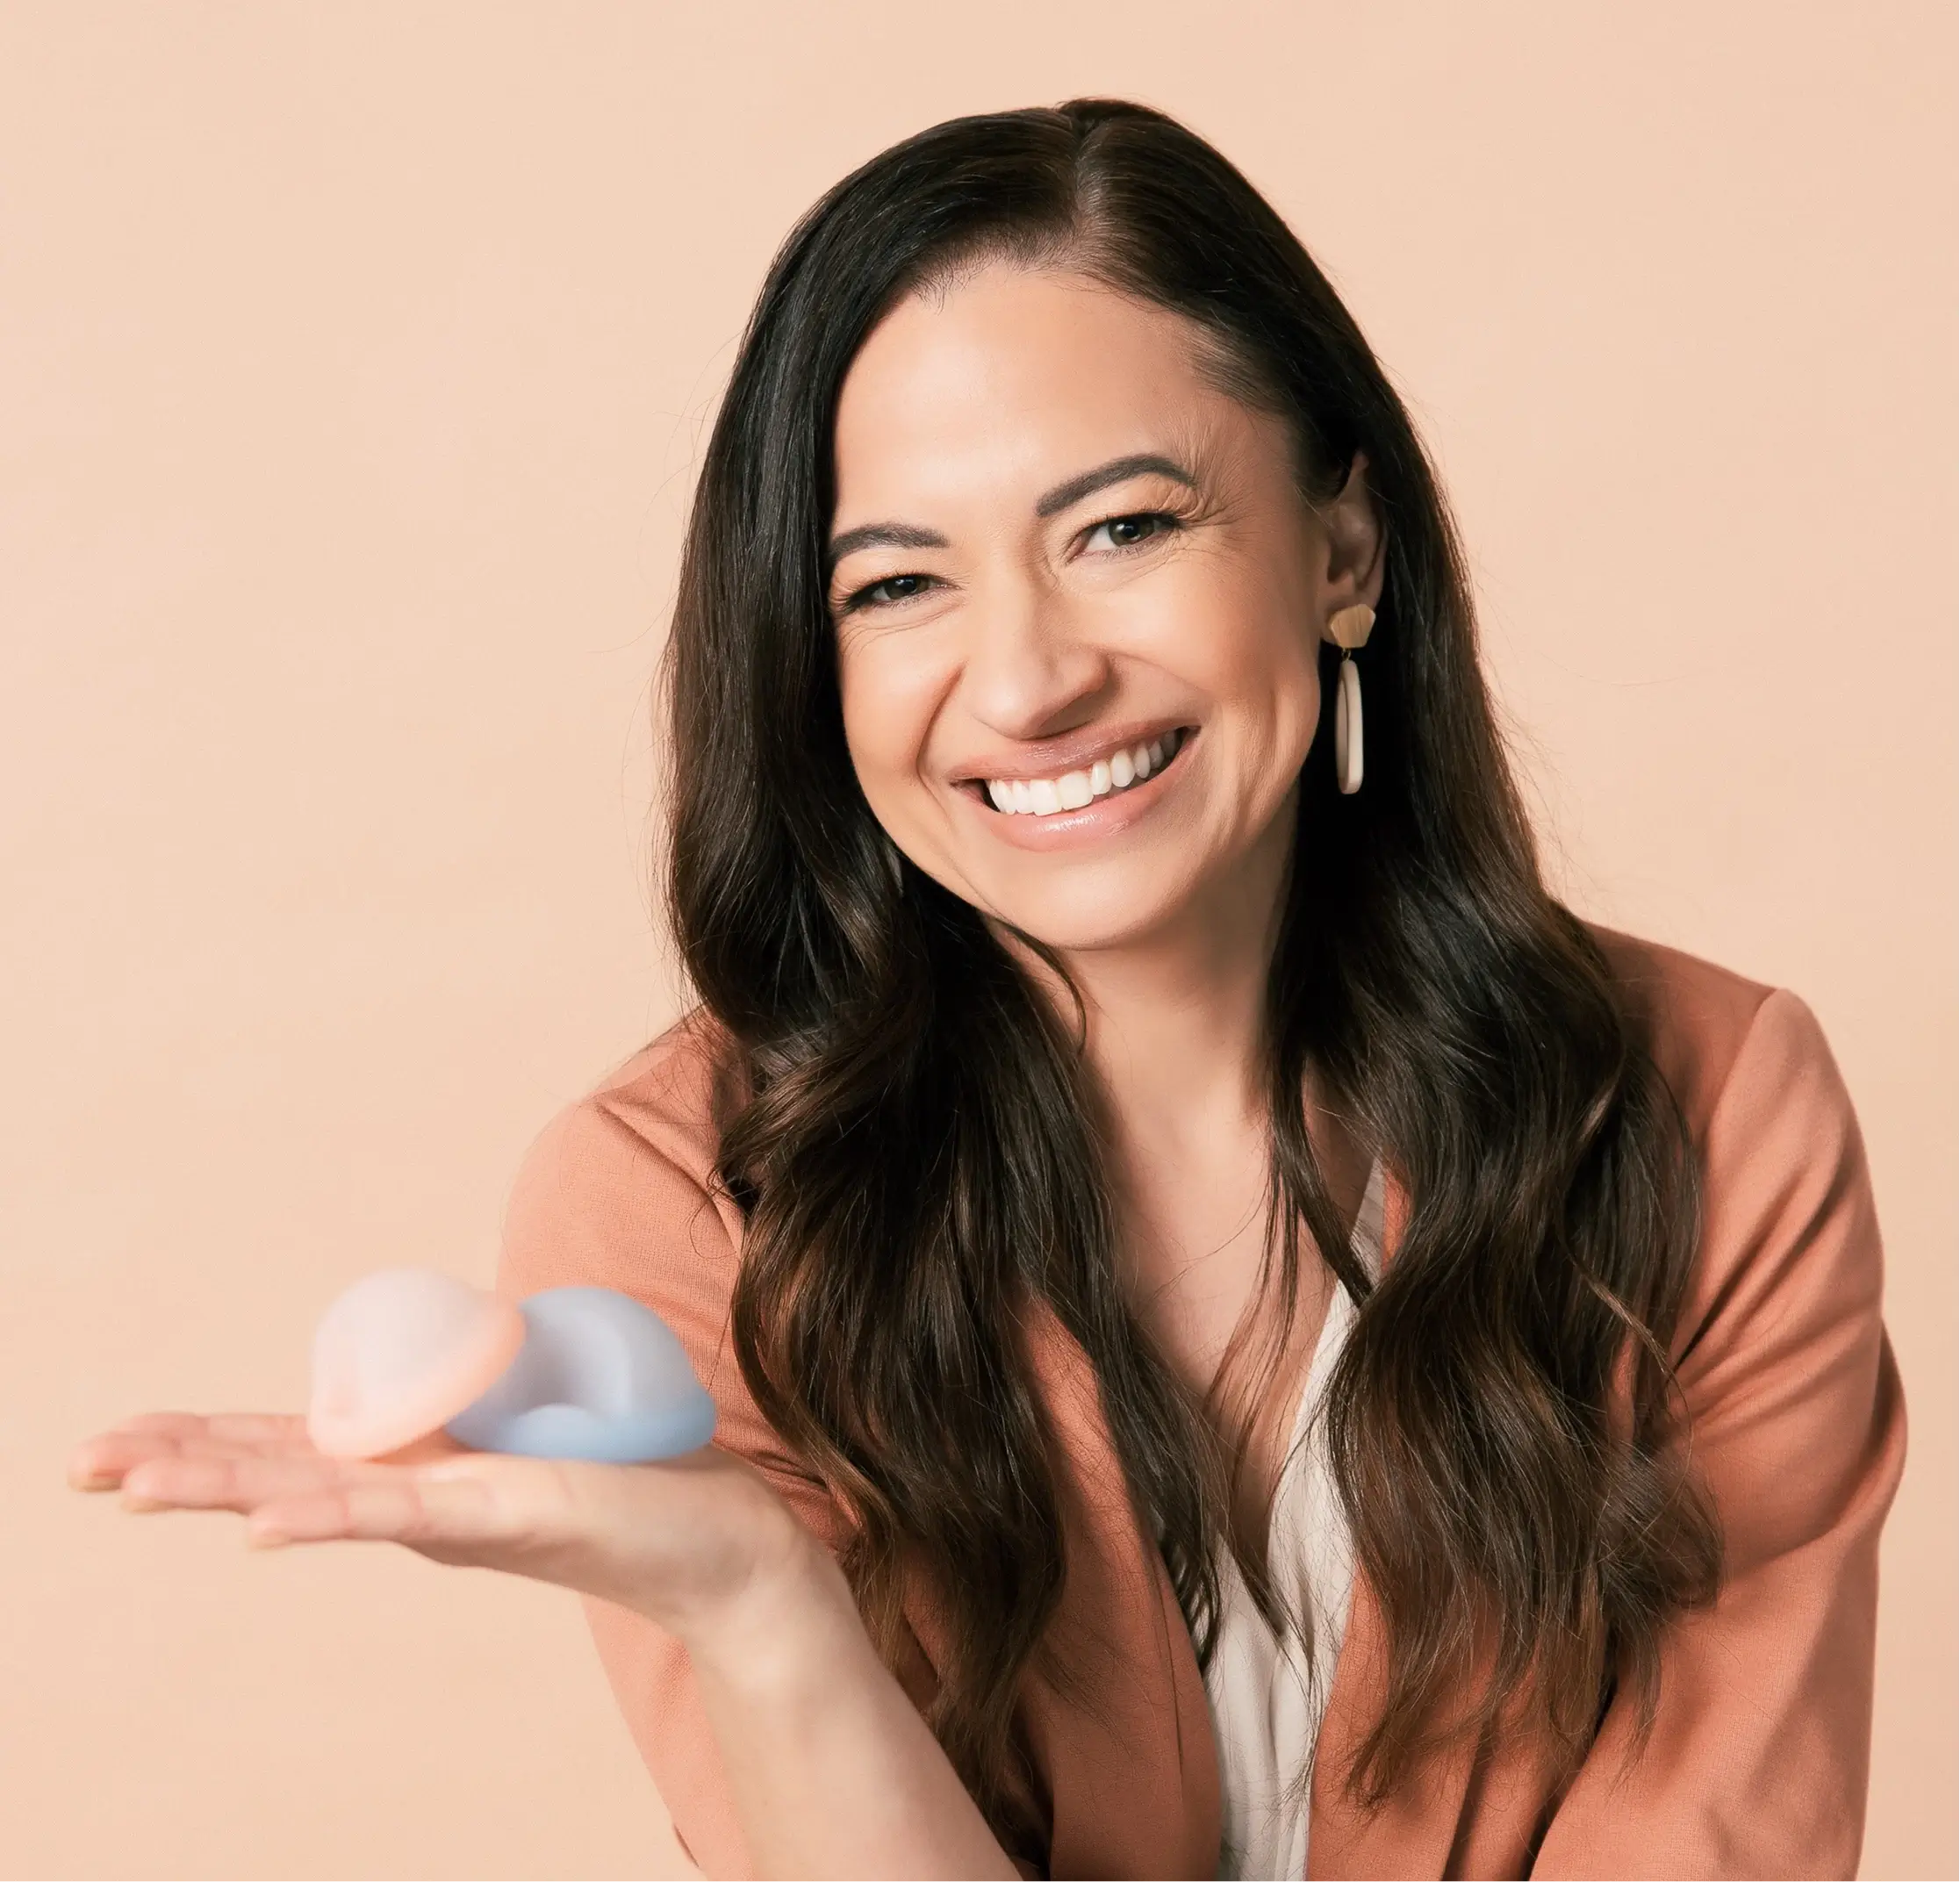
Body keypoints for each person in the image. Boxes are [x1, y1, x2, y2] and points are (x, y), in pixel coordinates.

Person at [68, 100, 1905, 1882]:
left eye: (1122, 528)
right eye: (896, 585)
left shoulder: (1701, 1112)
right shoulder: (680, 1210)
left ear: (1343, 551)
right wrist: (754, 1596)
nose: (1024, 681)